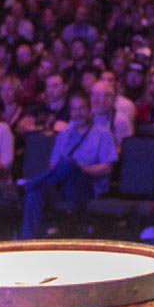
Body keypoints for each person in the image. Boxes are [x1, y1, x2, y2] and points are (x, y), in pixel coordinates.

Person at [18, 92, 118, 239]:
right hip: (61, 187)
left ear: (90, 109)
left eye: (82, 108)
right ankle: (26, 241)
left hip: (87, 187)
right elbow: (53, 166)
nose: (78, 113)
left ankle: (29, 183)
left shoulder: (103, 134)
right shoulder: (63, 135)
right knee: (35, 192)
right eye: (74, 109)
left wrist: (81, 169)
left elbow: (107, 167)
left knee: (69, 164)